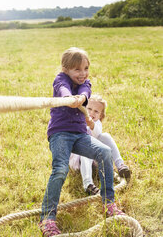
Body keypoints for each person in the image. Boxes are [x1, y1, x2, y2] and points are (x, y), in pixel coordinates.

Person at [39, 47, 125, 237]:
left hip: (80, 134)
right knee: (60, 169)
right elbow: (62, 89)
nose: (83, 73)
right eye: (77, 69)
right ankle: (47, 218)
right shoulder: (61, 80)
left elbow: (86, 92)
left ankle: (108, 203)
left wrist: (82, 98)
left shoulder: (86, 83)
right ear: (66, 69)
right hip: (60, 133)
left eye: (85, 68)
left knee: (104, 152)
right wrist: (68, 98)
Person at [69, 94, 131, 195]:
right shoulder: (78, 120)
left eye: (96, 111)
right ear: (84, 108)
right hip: (79, 159)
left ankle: (120, 165)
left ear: (101, 115)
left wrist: (91, 124)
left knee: (105, 136)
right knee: (86, 150)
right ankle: (88, 184)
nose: (92, 113)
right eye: (89, 109)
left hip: (95, 159)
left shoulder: (96, 123)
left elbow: (97, 134)